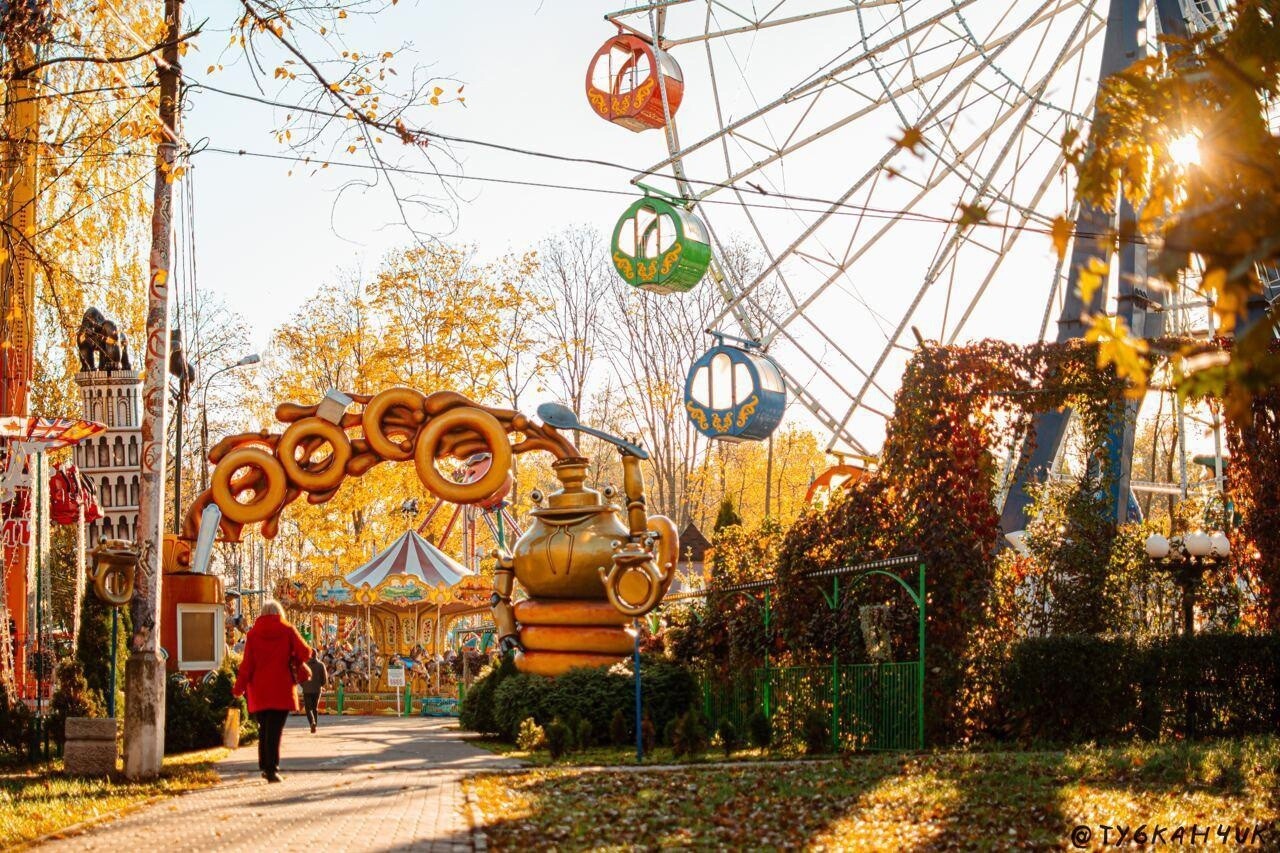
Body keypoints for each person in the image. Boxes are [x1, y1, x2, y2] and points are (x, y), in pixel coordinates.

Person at [232, 599, 311, 783]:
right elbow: (306, 653)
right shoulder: (288, 631)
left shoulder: (252, 635)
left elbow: (247, 666)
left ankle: (264, 765)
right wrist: (291, 654)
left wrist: (238, 688)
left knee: (264, 729)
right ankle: (271, 768)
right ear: (280, 612)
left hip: (258, 690)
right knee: (275, 730)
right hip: (281, 688)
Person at [300, 649, 328, 733]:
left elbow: (301, 678)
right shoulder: (321, 665)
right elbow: (324, 679)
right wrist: (320, 685)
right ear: (316, 655)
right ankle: (315, 724)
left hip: (307, 690)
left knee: (308, 708)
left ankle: (312, 722)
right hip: (317, 689)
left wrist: (304, 685)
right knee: (315, 707)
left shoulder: (304, 665)